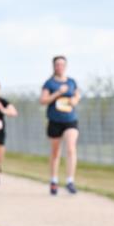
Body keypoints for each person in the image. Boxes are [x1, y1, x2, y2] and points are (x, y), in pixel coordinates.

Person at [39, 56, 81, 195]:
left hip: (70, 119)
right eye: (57, 64)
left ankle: (70, 181)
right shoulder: (49, 83)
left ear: (66, 66)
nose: (60, 67)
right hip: (55, 121)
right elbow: (43, 100)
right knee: (56, 152)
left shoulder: (71, 82)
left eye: (62, 64)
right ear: (54, 66)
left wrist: (75, 100)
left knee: (71, 148)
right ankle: (54, 180)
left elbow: (77, 95)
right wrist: (58, 93)